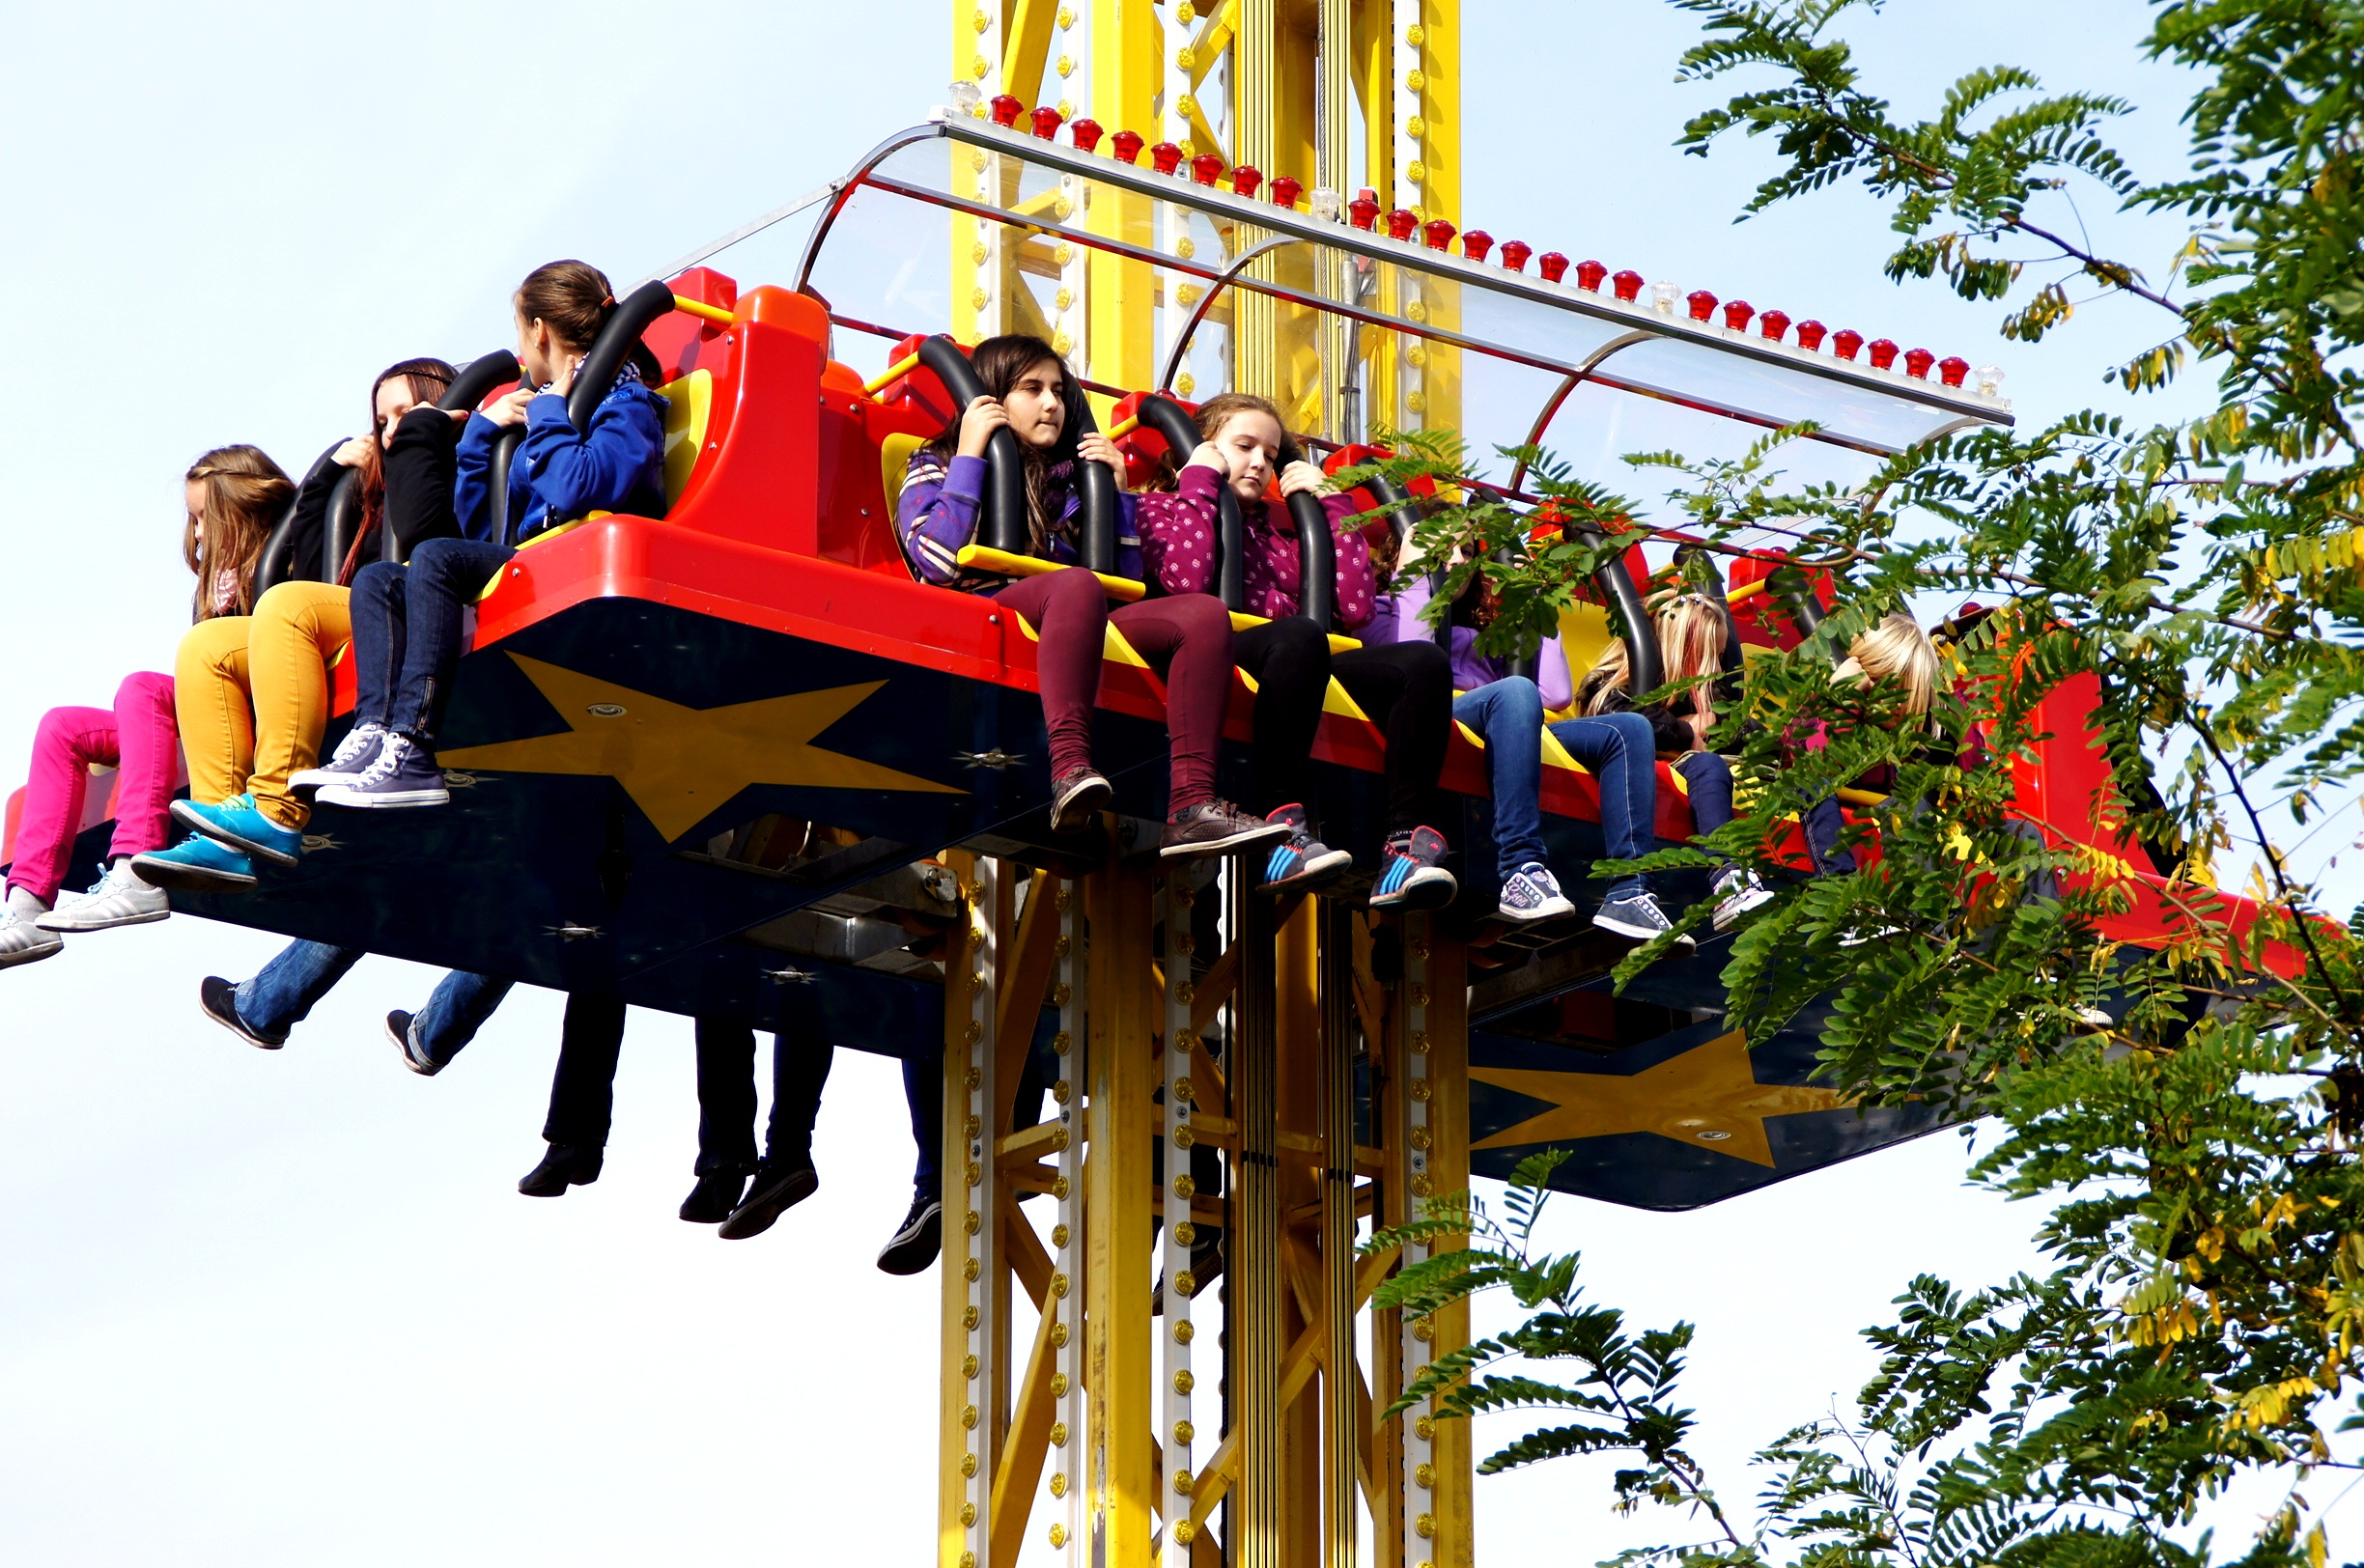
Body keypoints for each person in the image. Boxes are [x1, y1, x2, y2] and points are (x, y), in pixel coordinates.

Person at [248, 259, 669, 814]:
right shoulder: (549, 409)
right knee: (379, 580)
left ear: (538, 330)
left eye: (519, 331)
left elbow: (580, 485)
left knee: (435, 556)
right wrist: (481, 438)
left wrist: (548, 413)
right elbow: (480, 527)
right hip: (535, 558)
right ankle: (375, 732)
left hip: (578, 558)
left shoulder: (625, 402)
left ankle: (415, 748)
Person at [897, 333, 1284, 860]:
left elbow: (1123, 580)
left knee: (1203, 613)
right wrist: (970, 453)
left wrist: (1114, 492)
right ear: (991, 395)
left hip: (1076, 614)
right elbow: (936, 562)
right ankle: (1069, 767)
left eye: (1058, 391)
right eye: (1032, 389)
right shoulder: (936, 460)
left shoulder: (1073, 484)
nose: (1052, 404)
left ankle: (1192, 805)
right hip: (985, 611)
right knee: (1074, 583)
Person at [131, 358, 462, 890]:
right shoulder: (370, 486)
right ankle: (222, 840)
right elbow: (313, 572)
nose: (391, 430)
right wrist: (327, 476)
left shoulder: (454, 453)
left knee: (287, 605)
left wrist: (423, 438)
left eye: (407, 412)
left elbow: (426, 532)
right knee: (206, 645)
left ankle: (277, 809)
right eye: (382, 420)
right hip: (369, 606)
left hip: (419, 602)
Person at [1136, 393, 1457, 908]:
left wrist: (1331, 503)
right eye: (1243, 446)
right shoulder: (1160, 507)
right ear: (1200, 447)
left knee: (1421, 664)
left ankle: (1404, 846)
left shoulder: (1283, 535)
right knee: (1299, 635)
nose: (1259, 463)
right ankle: (1283, 825)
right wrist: (1200, 480)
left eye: (1269, 454)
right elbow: (1185, 580)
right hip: (1210, 649)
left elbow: (1355, 607)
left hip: (1295, 661)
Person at [0, 447, 289, 966]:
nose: (197, 533)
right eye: (193, 520)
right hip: (209, 704)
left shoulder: (286, 553)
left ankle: (134, 866)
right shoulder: (218, 586)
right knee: (63, 725)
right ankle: (25, 907)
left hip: (262, 700)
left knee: (143, 689)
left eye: (205, 517)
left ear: (240, 508)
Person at [1381, 552, 1582, 923]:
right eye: (1446, 547)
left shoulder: (1486, 632)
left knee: (1627, 729)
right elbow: (1414, 660)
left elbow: (1555, 695)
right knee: (1514, 690)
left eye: (1469, 552)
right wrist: (1415, 576)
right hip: (1427, 713)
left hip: (1492, 718)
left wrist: (1535, 598)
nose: (1458, 560)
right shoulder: (1384, 609)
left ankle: (1630, 889)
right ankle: (1520, 864)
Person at [1575, 591, 1774, 932]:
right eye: (1711, 656)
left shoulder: (1708, 698)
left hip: (1686, 770)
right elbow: (1619, 719)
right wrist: (1686, 730)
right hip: (1627, 775)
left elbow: (1760, 736)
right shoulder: (1615, 684)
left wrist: (1711, 721)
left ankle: (1730, 879)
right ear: (1680, 648)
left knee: (1712, 766)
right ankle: (1724, 878)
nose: (1717, 668)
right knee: (1708, 764)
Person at [1791, 611, 1942, 878]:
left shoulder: (1898, 750)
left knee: (1912, 807)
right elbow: (1819, 765)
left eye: (1908, 694)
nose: (1898, 704)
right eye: (1888, 685)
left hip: (1874, 840)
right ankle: (1836, 883)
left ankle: (1919, 898)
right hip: (1814, 816)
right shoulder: (1818, 711)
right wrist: (1846, 697)